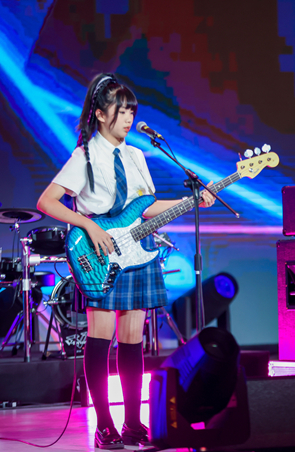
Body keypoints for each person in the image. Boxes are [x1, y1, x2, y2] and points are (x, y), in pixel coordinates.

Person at [37, 73, 215, 449]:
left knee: (133, 341)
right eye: (122, 111)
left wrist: (194, 200)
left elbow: (145, 207)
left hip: (136, 251)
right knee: (101, 338)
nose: (129, 118)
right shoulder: (84, 156)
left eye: (132, 111)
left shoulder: (136, 155)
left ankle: (133, 423)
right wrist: (88, 225)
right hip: (98, 251)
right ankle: (104, 426)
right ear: (101, 114)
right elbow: (47, 201)